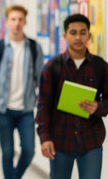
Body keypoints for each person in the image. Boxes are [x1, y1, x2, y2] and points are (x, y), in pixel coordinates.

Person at [36, 14, 107, 179]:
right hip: (60, 141)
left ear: (89, 35)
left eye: (83, 33)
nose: (78, 37)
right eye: (73, 32)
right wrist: (45, 138)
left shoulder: (99, 66)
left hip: (91, 142)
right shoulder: (52, 67)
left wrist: (98, 106)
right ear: (65, 36)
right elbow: (43, 107)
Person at [0, 5, 44, 179]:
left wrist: (42, 108)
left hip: (25, 110)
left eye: (20, 19)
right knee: (7, 153)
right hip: (4, 110)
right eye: (13, 19)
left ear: (25, 22)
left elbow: (41, 81)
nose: (17, 23)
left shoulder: (34, 47)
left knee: (29, 151)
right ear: (7, 22)